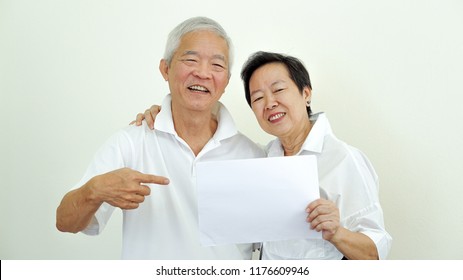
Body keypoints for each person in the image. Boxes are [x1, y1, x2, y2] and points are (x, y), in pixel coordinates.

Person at [136, 51, 392, 259]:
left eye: (279, 90)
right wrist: (167, 113)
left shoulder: (343, 159)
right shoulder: (262, 158)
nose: (269, 103)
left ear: (306, 93)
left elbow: (376, 253)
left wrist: (337, 232)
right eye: (257, 98)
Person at [56, 17, 265, 260]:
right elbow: (65, 222)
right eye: (190, 60)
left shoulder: (253, 155)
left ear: (226, 82)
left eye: (217, 65)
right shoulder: (131, 142)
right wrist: (95, 190)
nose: (203, 73)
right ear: (165, 69)